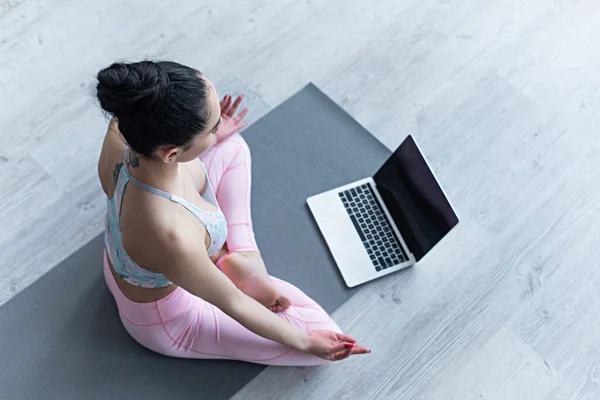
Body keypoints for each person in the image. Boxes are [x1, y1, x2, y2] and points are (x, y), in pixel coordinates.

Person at [96, 60, 370, 365]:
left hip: (143, 252)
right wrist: (306, 342)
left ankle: (236, 257)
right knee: (324, 335)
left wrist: (215, 134)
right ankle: (233, 257)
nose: (217, 128)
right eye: (211, 128)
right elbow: (233, 301)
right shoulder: (168, 231)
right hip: (165, 317)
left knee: (232, 145)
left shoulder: (123, 127)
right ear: (172, 153)